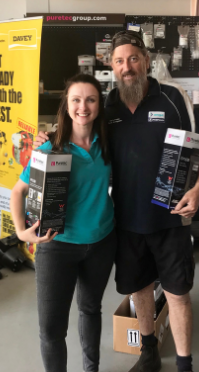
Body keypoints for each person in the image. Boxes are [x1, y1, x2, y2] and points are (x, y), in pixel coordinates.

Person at [36, 30, 199, 372]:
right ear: (112, 66)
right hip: (126, 223)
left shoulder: (173, 97)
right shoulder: (107, 107)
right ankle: (149, 352)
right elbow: (78, 131)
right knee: (140, 290)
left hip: (171, 219)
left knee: (178, 294)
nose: (127, 67)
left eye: (133, 59)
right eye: (119, 61)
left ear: (145, 61)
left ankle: (185, 363)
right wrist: (49, 136)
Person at [11, 74, 115, 372]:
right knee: (52, 329)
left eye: (91, 99)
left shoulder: (107, 142)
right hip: (58, 247)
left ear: (99, 104)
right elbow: (19, 191)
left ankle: (91, 368)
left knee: (90, 309)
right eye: (76, 100)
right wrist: (21, 232)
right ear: (67, 105)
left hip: (101, 242)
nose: (84, 107)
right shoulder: (49, 148)